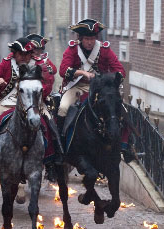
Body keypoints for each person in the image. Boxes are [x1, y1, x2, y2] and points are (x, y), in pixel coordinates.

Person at [0, 37, 61, 181]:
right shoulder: (7, 63)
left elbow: (48, 83)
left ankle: (52, 161)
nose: (24, 57)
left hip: (34, 101)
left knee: (49, 123)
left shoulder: (40, 64)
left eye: (27, 54)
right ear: (14, 53)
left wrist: (37, 92)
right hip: (9, 100)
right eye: (20, 54)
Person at [57, 18, 135, 161]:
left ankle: (126, 146)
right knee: (62, 108)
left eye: (92, 38)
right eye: (87, 38)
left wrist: (105, 79)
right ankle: (61, 146)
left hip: (101, 88)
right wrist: (82, 73)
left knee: (121, 110)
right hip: (77, 86)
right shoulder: (73, 49)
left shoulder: (104, 49)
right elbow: (63, 70)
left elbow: (120, 71)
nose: (90, 42)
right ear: (80, 38)